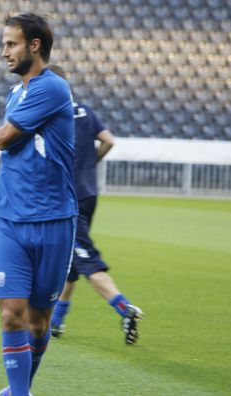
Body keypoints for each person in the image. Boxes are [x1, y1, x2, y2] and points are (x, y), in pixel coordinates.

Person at [0, 13, 76, 396]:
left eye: (11, 44)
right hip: (8, 218)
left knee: (38, 322)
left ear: (34, 45)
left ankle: (20, 388)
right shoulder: (16, 92)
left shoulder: (51, 87)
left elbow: (5, 138)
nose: (4, 51)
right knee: (10, 315)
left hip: (53, 220)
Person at [46, 64, 143, 345]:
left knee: (84, 258)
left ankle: (124, 308)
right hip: (89, 192)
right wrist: (90, 164)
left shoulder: (51, 113)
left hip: (68, 197)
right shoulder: (85, 111)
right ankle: (57, 322)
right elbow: (108, 141)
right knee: (70, 260)